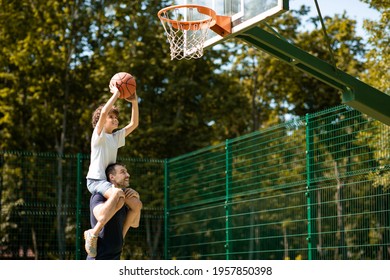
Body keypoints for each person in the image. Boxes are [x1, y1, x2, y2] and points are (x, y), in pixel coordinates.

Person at [84, 82, 139, 257]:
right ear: (102, 119)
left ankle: (120, 239)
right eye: (111, 117)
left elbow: (134, 123)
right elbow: (104, 113)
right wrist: (116, 93)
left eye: (116, 118)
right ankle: (93, 233)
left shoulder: (115, 138)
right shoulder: (98, 135)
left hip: (107, 182)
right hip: (96, 181)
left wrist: (134, 100)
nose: (115, 120)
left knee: (129, 202)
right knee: (117, 195)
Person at [87, 163, 142, 260]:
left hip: (116, 256)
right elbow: (101, 217)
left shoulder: (124, 200)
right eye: (123, 172)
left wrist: (136, 199)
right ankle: (91, 234)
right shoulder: (98, 196)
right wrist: (115, 195)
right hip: (99, 258)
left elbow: (135, 223)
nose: (128, 175)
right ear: (112, 177)